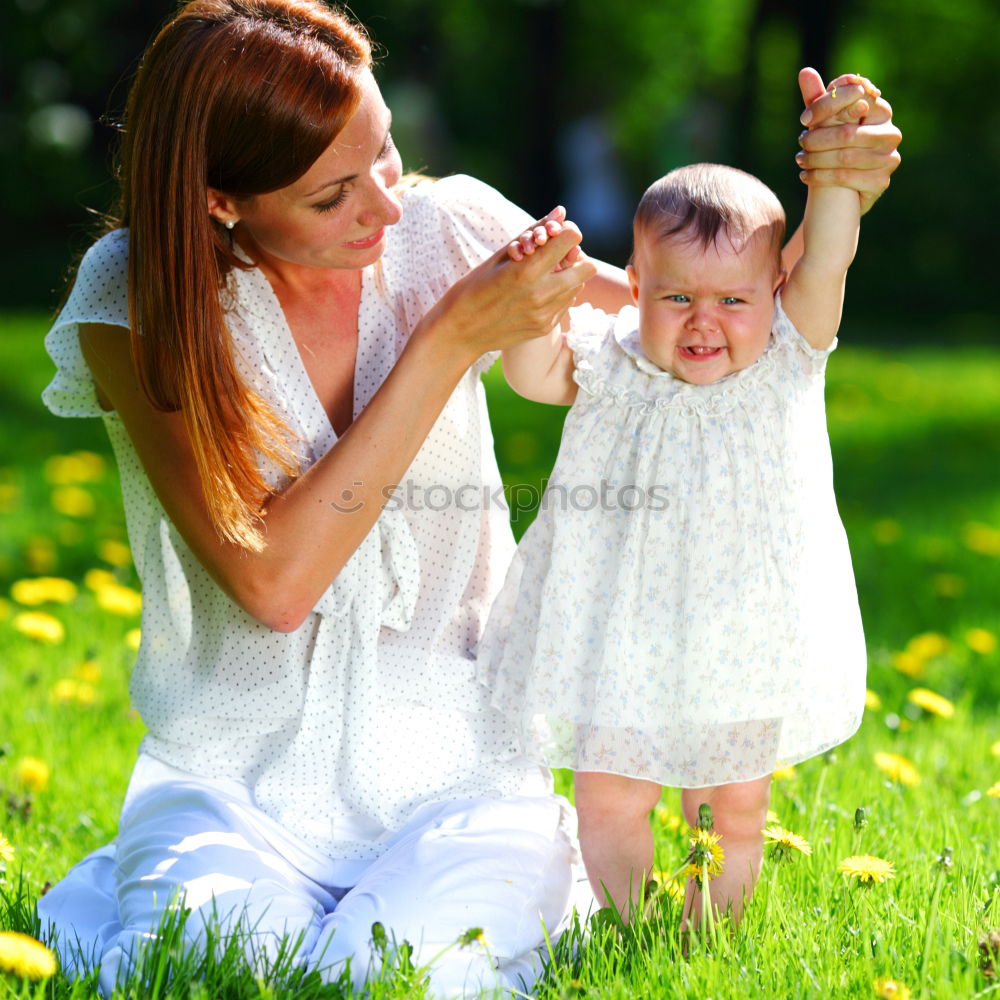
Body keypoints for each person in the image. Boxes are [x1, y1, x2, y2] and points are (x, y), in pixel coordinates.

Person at [34, 0, 900, 989]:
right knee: (220, 972)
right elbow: (273, 586)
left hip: (461, 779)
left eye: (386, 152)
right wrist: (447, 340)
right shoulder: (139, 289)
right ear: (223, 200)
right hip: (229, 782)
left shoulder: (450, 225)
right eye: (334, 196)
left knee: (394, 978)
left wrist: (837, 199)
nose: (388, 208)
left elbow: (708, 335)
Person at [479, 74, 879, 925]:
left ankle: (707, 934)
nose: (705, 321)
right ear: (634, 284)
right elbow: (532, 372)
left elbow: (831, 251)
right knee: (612, 796)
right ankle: (626, 928)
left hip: (742, 630)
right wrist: (533, 307)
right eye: (677, 297)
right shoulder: (611, 364)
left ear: (776, 288)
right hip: (619, 628)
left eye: (734, 299)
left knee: (729, 808)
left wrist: (834, 162)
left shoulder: (786, 359)